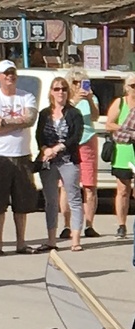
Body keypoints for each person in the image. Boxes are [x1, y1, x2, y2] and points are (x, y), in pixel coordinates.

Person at [0, 59, 39, 257]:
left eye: (12, 72)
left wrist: (6, 122)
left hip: (21, 155)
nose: (10, 76)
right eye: (6, 73)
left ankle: (21, 243)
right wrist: (17, 122)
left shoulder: (27, 96)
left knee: (22, 202)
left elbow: (30, 119)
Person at [35, 77, 84, 252]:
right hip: (49, 162)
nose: (60, 92)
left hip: (68, 159)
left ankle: (76, 239)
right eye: (56, 89)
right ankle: (51, 240)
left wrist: (57, 148)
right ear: (51, 92)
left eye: (63, 89)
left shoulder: (74, 113)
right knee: (51, 201)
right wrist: (45, 149)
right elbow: (39, 136)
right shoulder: (44, 113)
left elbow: (76, 137)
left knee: (74, 198)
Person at [60, 68, 101, 239]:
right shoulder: (66, 99)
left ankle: (89, 225)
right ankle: (67, 225)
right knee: (66, 186)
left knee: (89, 186)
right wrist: (75, 101)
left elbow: (95, 117)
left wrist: (90, 99)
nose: (78, 86)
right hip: (70, 143)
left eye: (81, 82)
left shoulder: (91, 98)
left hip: (88, 141)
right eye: (75, 82)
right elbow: (61, 117)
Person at [106, 73, 135, 239]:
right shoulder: (120, 102)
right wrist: (127, 130)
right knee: (123, 189)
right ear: (126, 87)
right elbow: (109, 124)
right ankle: (121, 225)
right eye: (133, 86)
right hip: (123, 151)